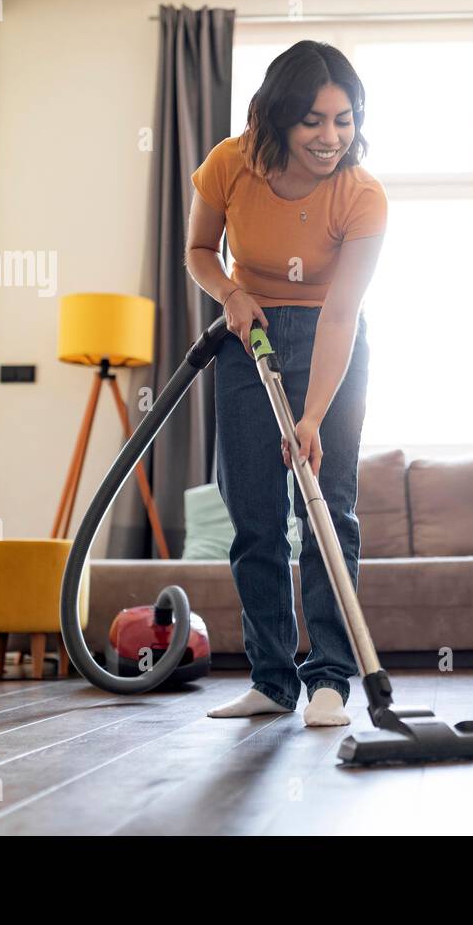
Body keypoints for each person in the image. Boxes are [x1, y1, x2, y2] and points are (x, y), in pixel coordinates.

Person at [184, 41, 387, 726]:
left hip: (331, 346)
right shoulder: (229, 165)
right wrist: (229, 296)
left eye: (344, 118)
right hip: (248, 340)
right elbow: (198, 251)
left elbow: (341, 313)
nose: (331, 137)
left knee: (328, 510)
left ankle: (329, 679)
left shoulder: (361, 196)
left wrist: (313, 417)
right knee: (256, 516)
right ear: (277, 118)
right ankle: (272, 682)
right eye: (312, 121)